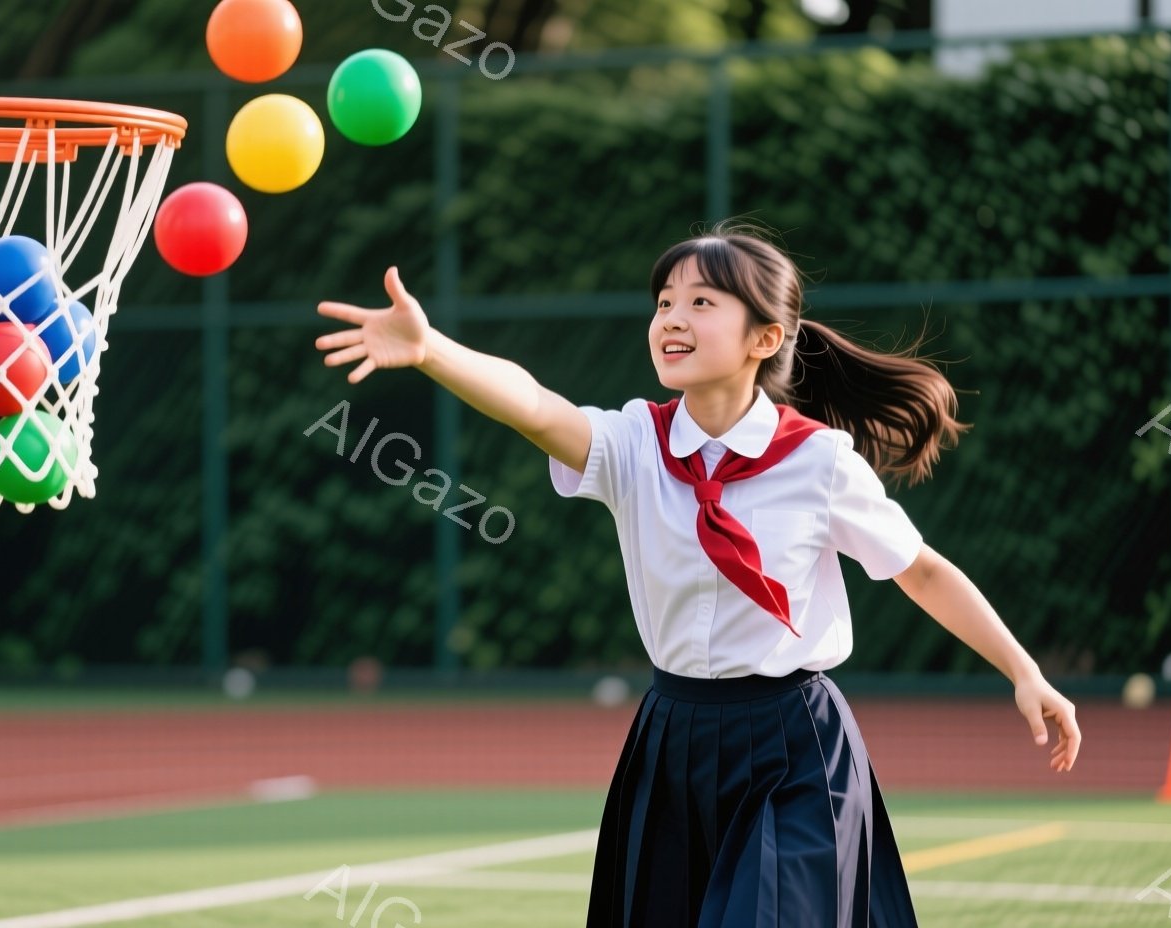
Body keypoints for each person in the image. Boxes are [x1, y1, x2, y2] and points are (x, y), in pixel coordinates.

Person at [313, 221, 1081, 927]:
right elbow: (537, 407)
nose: (672, 318)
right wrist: (431, 349)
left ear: (764, 337)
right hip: (673, 741)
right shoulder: (633, 445)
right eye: (664, 301)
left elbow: (923, 571)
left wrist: (1024, 671)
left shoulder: (818, 461)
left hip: (794, 745)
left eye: (701, 302)